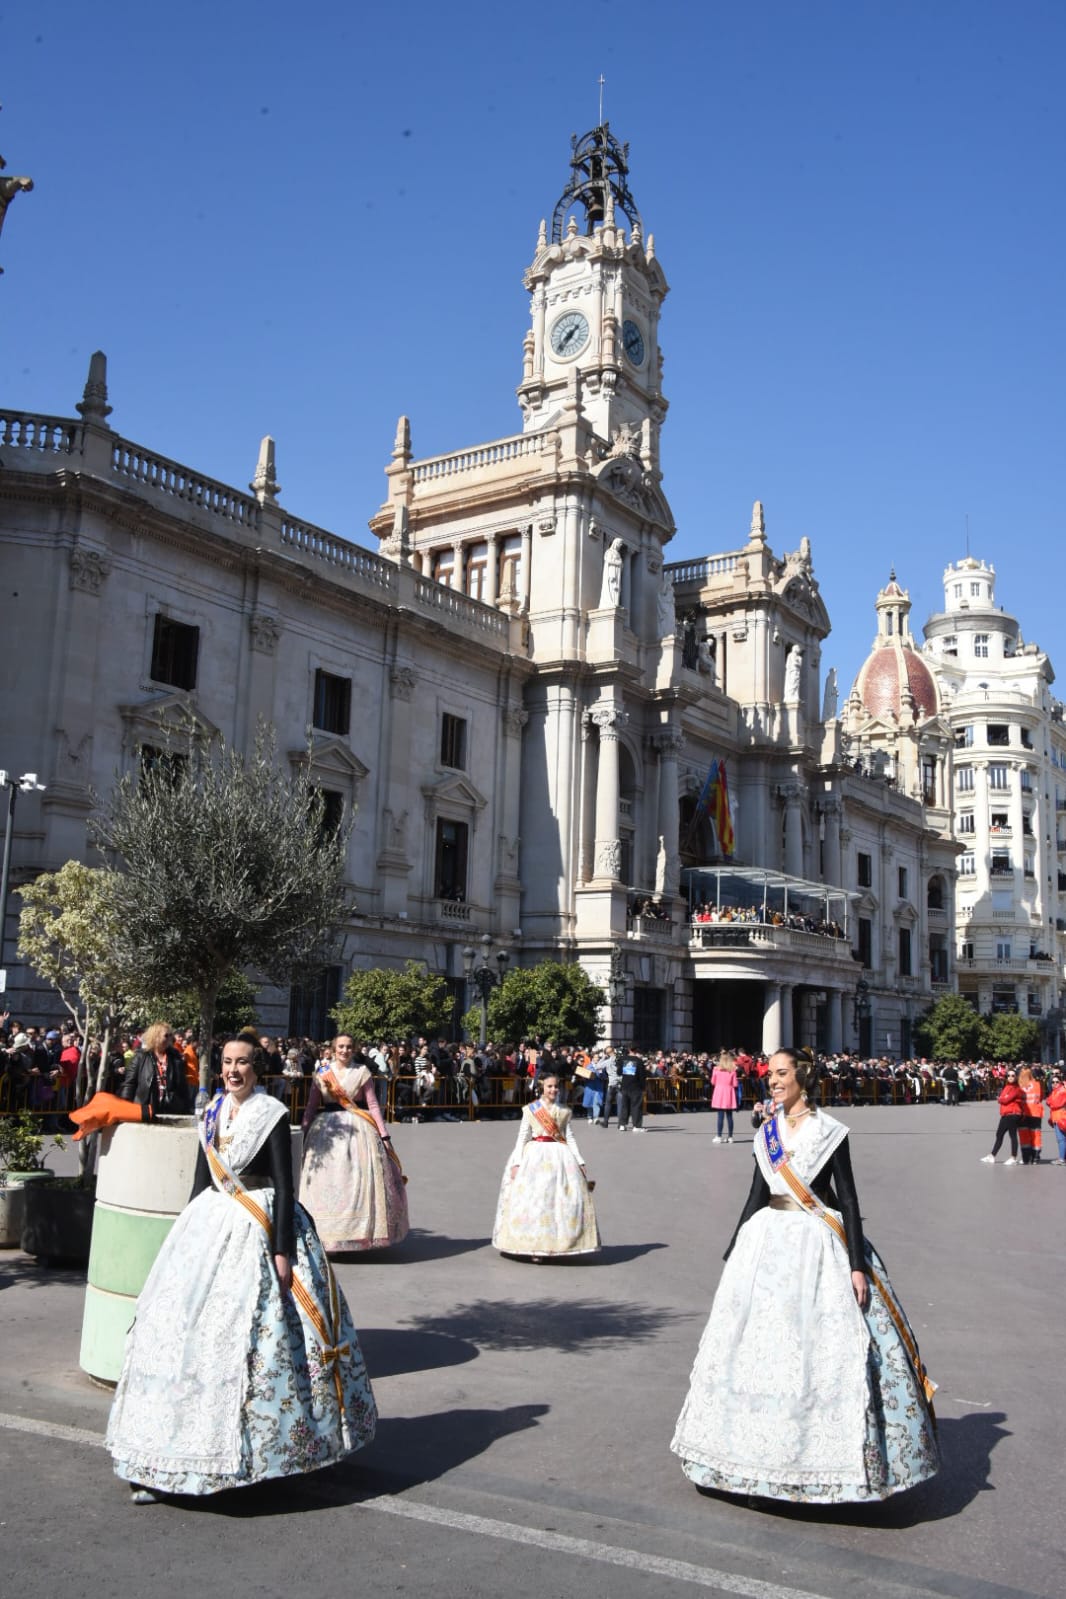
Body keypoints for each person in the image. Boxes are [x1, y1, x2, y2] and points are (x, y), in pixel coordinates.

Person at [105, 1035, 376, 1500]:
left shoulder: (271, 1113)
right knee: (180, 1332)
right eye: (228, 1062)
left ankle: (262, 1459)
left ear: (257, 1068)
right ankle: (162, 1456)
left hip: (258, 1223)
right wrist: (184, 1237)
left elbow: (285, 1185)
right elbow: (200, 1181)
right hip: (210, 1223)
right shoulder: (210, 1112)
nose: (233, 1070)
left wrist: (282, 1250)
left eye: (243, 1063)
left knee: (258, 1341)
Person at [671, 1047, 939, 1503]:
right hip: (765, 1245)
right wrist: (735, 1248)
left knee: (816, 1351)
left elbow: (848, 1200)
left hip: (816, 1246)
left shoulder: (830, 1131)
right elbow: (756, 1194)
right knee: (756, 1349)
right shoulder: (766, 1133)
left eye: (781, 1073)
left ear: (803, 1077)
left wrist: (857, 1265)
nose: (773, 1081)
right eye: (770, 1075)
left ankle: (819, 1467)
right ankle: (743, 1464)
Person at [299, 1034, 410, 1252]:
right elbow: (311, 1106)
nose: (345, 1050)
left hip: (358, 1129)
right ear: (333, 1049)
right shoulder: (322, 1073)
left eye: (349, 1047)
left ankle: (357, 1234)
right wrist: (303, 1131)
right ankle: (324, 1234)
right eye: (341, 1046)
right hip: (326, 1132)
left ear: (354, 1049)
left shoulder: (362, 1072)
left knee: (357, 1180)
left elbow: (373, 1105)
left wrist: (384, 1135)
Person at [492, 1074, 600, 1258]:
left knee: (559, 1203)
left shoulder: (564, 1111)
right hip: (535, 1157)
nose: (553, 1090)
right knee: (536, 1202)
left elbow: (569, 1137)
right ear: (542, 1087)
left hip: (560, 1157)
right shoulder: (531, 1110)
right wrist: (517, 1162)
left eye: (556, 1086)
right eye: (549, 1086)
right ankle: (534, 1246)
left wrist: (580, 1160)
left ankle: (559, 1244)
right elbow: (522, 1137)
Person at [119, 1023, 192, 1116]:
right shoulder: (140, 1057)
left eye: (171, 1035)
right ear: (155, 1037)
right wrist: (125, 1106)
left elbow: (183, 1086)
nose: (170, 1038)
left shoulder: (175, 1057)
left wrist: (186, 1108)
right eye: (166, 1035)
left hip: (171, 1110)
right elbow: (129, 1083)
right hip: (145, 1108)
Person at [980, 1068, 1025, 1164]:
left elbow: (1005, 1100)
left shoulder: (1017, 1088)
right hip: (1005, 1114)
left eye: (1013, 1075)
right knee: (999, 1134)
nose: (1010, 1077)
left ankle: (1013, 1157)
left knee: (1012, 1135)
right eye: (1008, 1075)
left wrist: (1002, 1098)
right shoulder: (1007, 1087)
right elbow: (1002, 1098)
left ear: (1016, 1077)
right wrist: (1002, 1098)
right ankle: (992, 1156)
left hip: (1013, 1113)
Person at [710, 1050, 739, 1144]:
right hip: (729, 1093)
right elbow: (735, 1084)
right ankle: (730, 1137)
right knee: (730, 1116)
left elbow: (713, 1082)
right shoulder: (732, 1070)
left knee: (720, 1116)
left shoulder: (716, 1070)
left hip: (719, 1093)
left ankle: (719, 1136)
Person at [1017, 1066, 1044, 1165]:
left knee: (1024, 1135)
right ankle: (1035, 1157)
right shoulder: (1037, 1084)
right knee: (1036, 1135)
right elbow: (1041, 1097)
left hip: (1023, 1114)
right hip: (1036, 1113)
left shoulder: (1019, 1085)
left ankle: (1026, 1158)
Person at [616, 1047, 647, 1133]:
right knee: (636, 1107)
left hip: (625, 1086)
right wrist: (643, 1088)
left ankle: (622, 1125)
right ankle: (636, 1126)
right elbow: (642, 1076)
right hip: (636, 1087)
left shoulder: (622, 1059)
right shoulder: (639, 1061)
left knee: (624, 1106)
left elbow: (618, 1072)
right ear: (636, 1051)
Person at [1045, 1069, 1066, 1164]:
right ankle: (1063, 1158)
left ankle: (1061, 1159)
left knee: (1061, 1139)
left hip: (1060, 1117)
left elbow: (1054, 1104)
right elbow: (1049, 1101)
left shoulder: (1062, 1091)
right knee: (1062, 1139)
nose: (1054, 1084)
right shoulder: (1055, 1091)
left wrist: (1050, 1102)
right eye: (1053, 1082)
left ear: (1060, 1082)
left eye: (1057, 1082)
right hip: (1057, 1117)